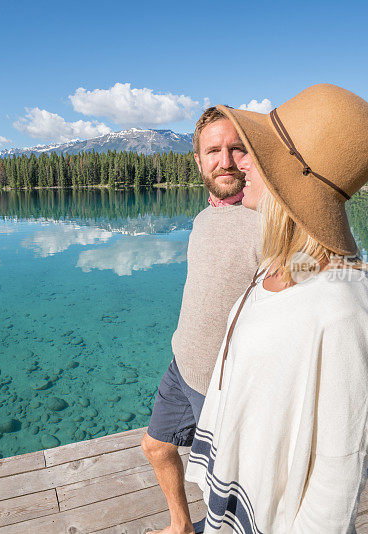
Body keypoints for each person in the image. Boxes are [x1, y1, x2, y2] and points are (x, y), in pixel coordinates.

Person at [185, 83, 368, 533]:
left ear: (287, 179)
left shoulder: (344, 310)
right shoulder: (282, 267)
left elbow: (337, 481)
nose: (239, 164)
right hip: (238, 504)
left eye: (254, 153)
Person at [141, 108, 261, 534]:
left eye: (236, 148)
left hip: (226, 387)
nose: (225, 161)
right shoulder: (204, 217)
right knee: (155, 447)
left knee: (230, 499)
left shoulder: (271, 220)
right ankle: (180, 526)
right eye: (213, 150)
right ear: (198, 160)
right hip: (183, 365)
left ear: (251, 154)